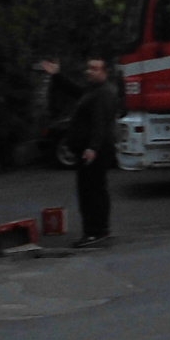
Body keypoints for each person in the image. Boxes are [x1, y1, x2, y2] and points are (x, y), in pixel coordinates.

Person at [66, 56, 119, 248]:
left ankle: (93, 232)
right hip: (94, 148)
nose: (90, 72)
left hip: (95, 150)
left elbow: (100, 123)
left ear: (105, 72)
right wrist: (57, 77)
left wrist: (92, 147)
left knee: (90, 191)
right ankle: (99, 229)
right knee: (95, 189)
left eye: (95, 69)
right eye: (89, 68)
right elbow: (75, 91)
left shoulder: (103, 93)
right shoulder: (94, 90)